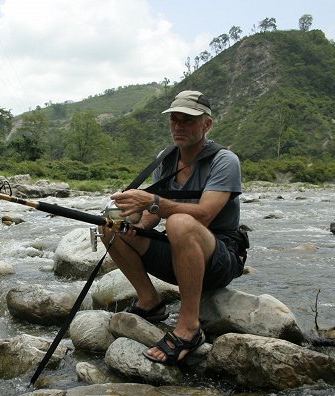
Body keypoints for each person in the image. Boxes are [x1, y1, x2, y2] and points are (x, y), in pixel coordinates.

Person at [100, 90, 246, 365]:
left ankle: (189, 326)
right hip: (179, 252)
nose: (179, 126)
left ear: (207, 124)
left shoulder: (224, 161)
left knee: (180, 222)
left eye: (188, 120)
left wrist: (152, 201)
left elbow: (203, 215)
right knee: (111, 226)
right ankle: (150, 302)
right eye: (174, 120)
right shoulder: (165, 158)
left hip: (221, 257)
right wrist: (137, 225)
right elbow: (152, 218)